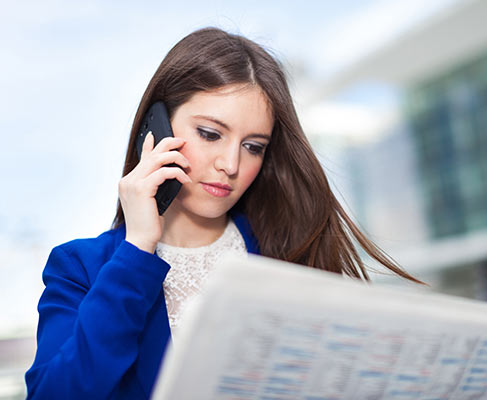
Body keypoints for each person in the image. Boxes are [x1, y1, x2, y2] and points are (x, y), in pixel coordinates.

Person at [25, 27, 422, 399]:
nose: (230, 164)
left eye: (253, 146)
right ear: (155, 129)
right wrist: (137, 251)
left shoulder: (288, 254)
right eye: (210, 134)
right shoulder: (80, 267)